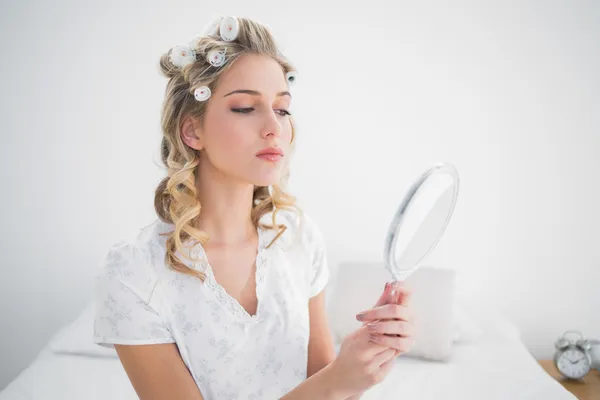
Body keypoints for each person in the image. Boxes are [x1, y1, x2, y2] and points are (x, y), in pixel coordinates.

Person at [93, 15, 414, 400]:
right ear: (192, 130)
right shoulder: (135, 271)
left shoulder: (298, 238)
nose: (273, 127)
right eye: (245, 108)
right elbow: (328, 385)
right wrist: (338, 379)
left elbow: (327, 389)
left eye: (282, 109)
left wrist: (363, 360)